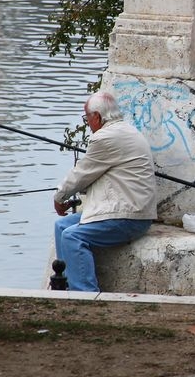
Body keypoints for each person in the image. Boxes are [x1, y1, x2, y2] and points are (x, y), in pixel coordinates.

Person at [53, 91, 157, 292]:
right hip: (125, 210)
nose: (87, 124)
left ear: (97, 117)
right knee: (61, 226)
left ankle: (85, 295)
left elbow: (81, 173)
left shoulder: (105, 137)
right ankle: (64, 286)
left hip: (130, 217)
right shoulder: (126, 130)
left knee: (72, 236)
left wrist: (59, 197)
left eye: (87, 118)